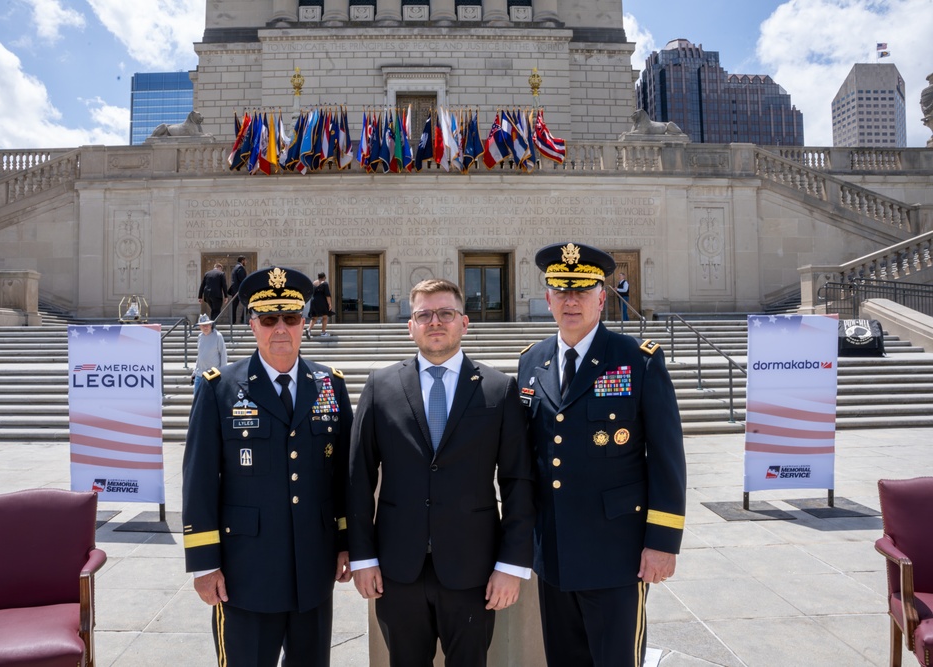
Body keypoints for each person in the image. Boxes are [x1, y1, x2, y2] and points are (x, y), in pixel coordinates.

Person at [348, 279, 534, 667]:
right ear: (410, 325)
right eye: (424, 315)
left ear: (463, 323)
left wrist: (511, 565)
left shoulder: (498, 390)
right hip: (397, 570)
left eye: (446, 313)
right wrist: (363, 557)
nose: (436, 322)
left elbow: (517, 481)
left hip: (474, 571)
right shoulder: (380, 387)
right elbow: (358, 477)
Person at [517, 242, 686, 667]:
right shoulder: (531, 362)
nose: (571, 301)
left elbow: (667, 458)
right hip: (553, 551)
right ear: (549, 298)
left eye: (582, 291)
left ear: (601, 297)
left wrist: (663, 542)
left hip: (617, 553)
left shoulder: (636, 361)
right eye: (562, 291)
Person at [182, 266, 353, 667]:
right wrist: (205, 563)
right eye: (269, 319)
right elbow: (200, 481)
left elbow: (344, 476)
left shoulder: (330, 385)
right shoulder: (219, 387)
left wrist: (347, 542)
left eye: (291, 318)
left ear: (304, 323)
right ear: (253, 324)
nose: (281, 329)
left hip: (313, 570)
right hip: (245, 574)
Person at [191, 314, 226, 393]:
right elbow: (200, 355)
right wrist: (194, 371)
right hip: (199, 374)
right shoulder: (200, 337)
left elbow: (223, 354)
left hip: (213, 374)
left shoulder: (218, 336)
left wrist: (223, 372)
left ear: (211, 325)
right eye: (203, 326)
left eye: (207, 325)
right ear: (200, 327)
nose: (205, 327)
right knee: (197, 399)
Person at [306, 272, 333, 338]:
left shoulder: (313, 283)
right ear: (324, 277)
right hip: (322, 301)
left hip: (314, 301)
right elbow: (327, 295)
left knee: (314, 317)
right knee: (325, 317)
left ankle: (308, 329)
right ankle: (323, 332)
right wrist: (330, 304)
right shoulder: (325, 283)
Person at [229, 256, 248, 324]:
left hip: (235, 290)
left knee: (234, 306)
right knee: (248, 304)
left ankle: (233, 321)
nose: (246, 262)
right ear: (242, 260)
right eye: (245, 261)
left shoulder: (235, 268)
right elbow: (242, 279)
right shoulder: (240, 267)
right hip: (240, 290)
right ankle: (242, 319)